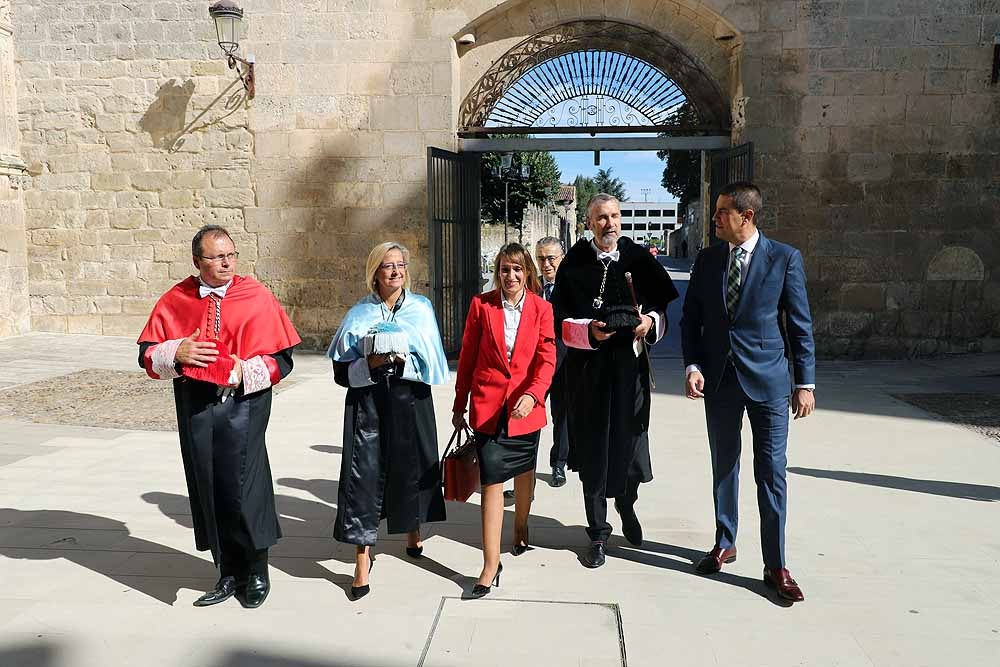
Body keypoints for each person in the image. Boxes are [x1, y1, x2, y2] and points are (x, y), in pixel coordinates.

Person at [137, 224, 300, 609]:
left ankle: (257, 569)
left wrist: (245, 372)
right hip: (196, 403)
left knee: (245, 484)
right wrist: (176, 352)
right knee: (208, 484)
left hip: (243, 402)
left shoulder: (256, 295)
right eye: (217, 257)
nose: (226, 262)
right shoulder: (176, 298)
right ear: (198, 262)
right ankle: (227, 571)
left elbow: (282, 360)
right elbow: (146, 353)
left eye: (231, 255)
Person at [681, 181, 816, 603]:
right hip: (719, 381)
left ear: (747, 216)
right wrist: (693, 365)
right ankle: (725, 541)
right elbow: (690, 321)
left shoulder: (784, 259)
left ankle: (775, 564)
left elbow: (799, 324)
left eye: (722, 212)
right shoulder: (707, 260)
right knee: (724, 463)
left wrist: (804, 383)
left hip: (770, 382)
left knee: (771, 472)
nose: (715, 218)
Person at [552, 194, 678, 568]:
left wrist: (649, 322)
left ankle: (626, 503)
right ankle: (597, 534)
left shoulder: (639, 259)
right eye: (601, 218)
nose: (609, 223)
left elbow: (662, 307)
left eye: (614, 216)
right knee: (593, 453)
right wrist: (588, 331)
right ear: (589, 224)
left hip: (630, 374)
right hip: (588, 375)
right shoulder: (574, 263)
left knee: (632, 447)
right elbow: (560, 320)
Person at [327, 242, 449, 600]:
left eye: (400, 265)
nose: (395, 271)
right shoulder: (359, 313)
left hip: (411, 402)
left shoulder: (422, 309)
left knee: (410, 471)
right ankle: (362, 560)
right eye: (387, 266)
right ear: (375, 272)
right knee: (363, 478)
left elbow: (432, 363)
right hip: (369, 406)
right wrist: (372, 365)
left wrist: (402, 363)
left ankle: (412, 530)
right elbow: (340, 371)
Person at [453, 243, 555, 598]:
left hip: (526, 409)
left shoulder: (542, 309)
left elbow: (546, 359)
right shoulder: (482, 306)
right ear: (496, 272)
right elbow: (467, 358)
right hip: (488, 407)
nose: (510, 276)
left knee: (525, 473)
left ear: (527, 272)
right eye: (504, 269)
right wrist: (458, 404)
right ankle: (489, 564)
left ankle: (521, 525)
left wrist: (533, 394)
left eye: (517, 269)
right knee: (492, 481)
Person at [534, 236, 570, 487]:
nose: (546, 264)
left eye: (551, 258)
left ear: (562, 258)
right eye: (540, 259)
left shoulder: (572, 288)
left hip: (565, 361)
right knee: (529, 415)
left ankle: (559, 464)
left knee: (562, 415)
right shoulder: (530, 288)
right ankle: (524, 469)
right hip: (535, 364)